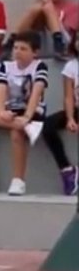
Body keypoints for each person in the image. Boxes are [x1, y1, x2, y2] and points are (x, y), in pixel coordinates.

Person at [0, 32, 49, 196]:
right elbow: (1, 90)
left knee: (16, 133)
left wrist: (27, 117)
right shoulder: (6, 66)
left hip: (32, 110)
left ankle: (18, 180)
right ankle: (29, 128)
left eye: (23, 49)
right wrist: (1, 112)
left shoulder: (39, 66)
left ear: (34, 52)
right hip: (11, 111)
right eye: (15, 48)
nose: (18, 52)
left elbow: (36, 93)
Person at [7, 0, 77, 60]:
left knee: (47, 8)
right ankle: (11, 42)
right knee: (36, 9)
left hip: (65, 43)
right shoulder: (43, 6)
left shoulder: (74, 7)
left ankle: (59, 44)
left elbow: (71, 30)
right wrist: (38, 11)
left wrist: (51, 13)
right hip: (45, 43)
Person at [42, 36, 79, 196]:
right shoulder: (71, 66)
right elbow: (69, 96)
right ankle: (66, 170)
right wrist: (70, 118)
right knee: (47, 126)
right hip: (76, 109)